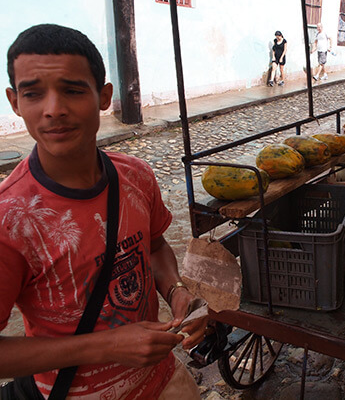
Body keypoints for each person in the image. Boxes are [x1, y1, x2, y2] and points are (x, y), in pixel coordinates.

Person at [0, 24, 209, 399]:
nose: (53, 110)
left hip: (163, 381)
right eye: (33, 93)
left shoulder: (136, 176)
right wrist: (105, 346)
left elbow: (156, 246)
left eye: (73, 90)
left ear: (104, 96)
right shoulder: (10, 220)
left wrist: (175, 290)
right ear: (15, 102)